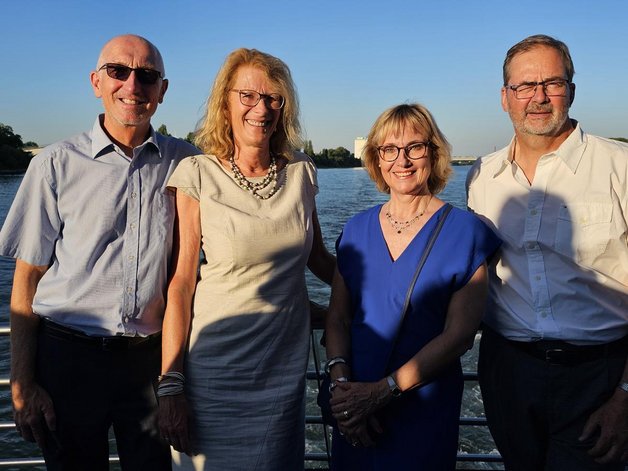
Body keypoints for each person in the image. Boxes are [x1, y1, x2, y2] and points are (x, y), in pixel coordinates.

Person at [0, 34, 199, 469]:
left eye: (147, 76)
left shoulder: (187, 165)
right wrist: (22, 384)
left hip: (150, 364)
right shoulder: (54, 164)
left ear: (162, 90)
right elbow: (27, 278)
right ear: (96, 82)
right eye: (118, 71)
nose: (132, 85)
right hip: (67, 359)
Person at [157, 48, 335, 470]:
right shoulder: (197, 173)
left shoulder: (301, 172)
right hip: (214, 371)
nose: (262, 108)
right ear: (225, 103)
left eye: (273, 98)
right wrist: (171, 384)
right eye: (248, 96)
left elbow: (319, 259)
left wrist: (384, 293)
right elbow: (181, 283)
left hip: (281, 368)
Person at [467, 34, 628, 470]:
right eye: (524, 85)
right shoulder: (482, 176)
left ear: (571, 91)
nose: (538, 97)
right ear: (505, 97)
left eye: (552, 83)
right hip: (507, 372)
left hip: (599, 374)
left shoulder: (620, 167)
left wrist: (625, 394)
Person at [323, 103, 500, 470]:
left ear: (433, 153)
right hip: (353, 410)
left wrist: (381, 392)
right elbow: (338, 318)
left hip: (422, 407)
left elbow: (460, 335)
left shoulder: (465, 232)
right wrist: (342, 390)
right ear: (376, 159)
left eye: (414, 147)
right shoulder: (355, 230)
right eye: (389, 149)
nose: (401, 160)